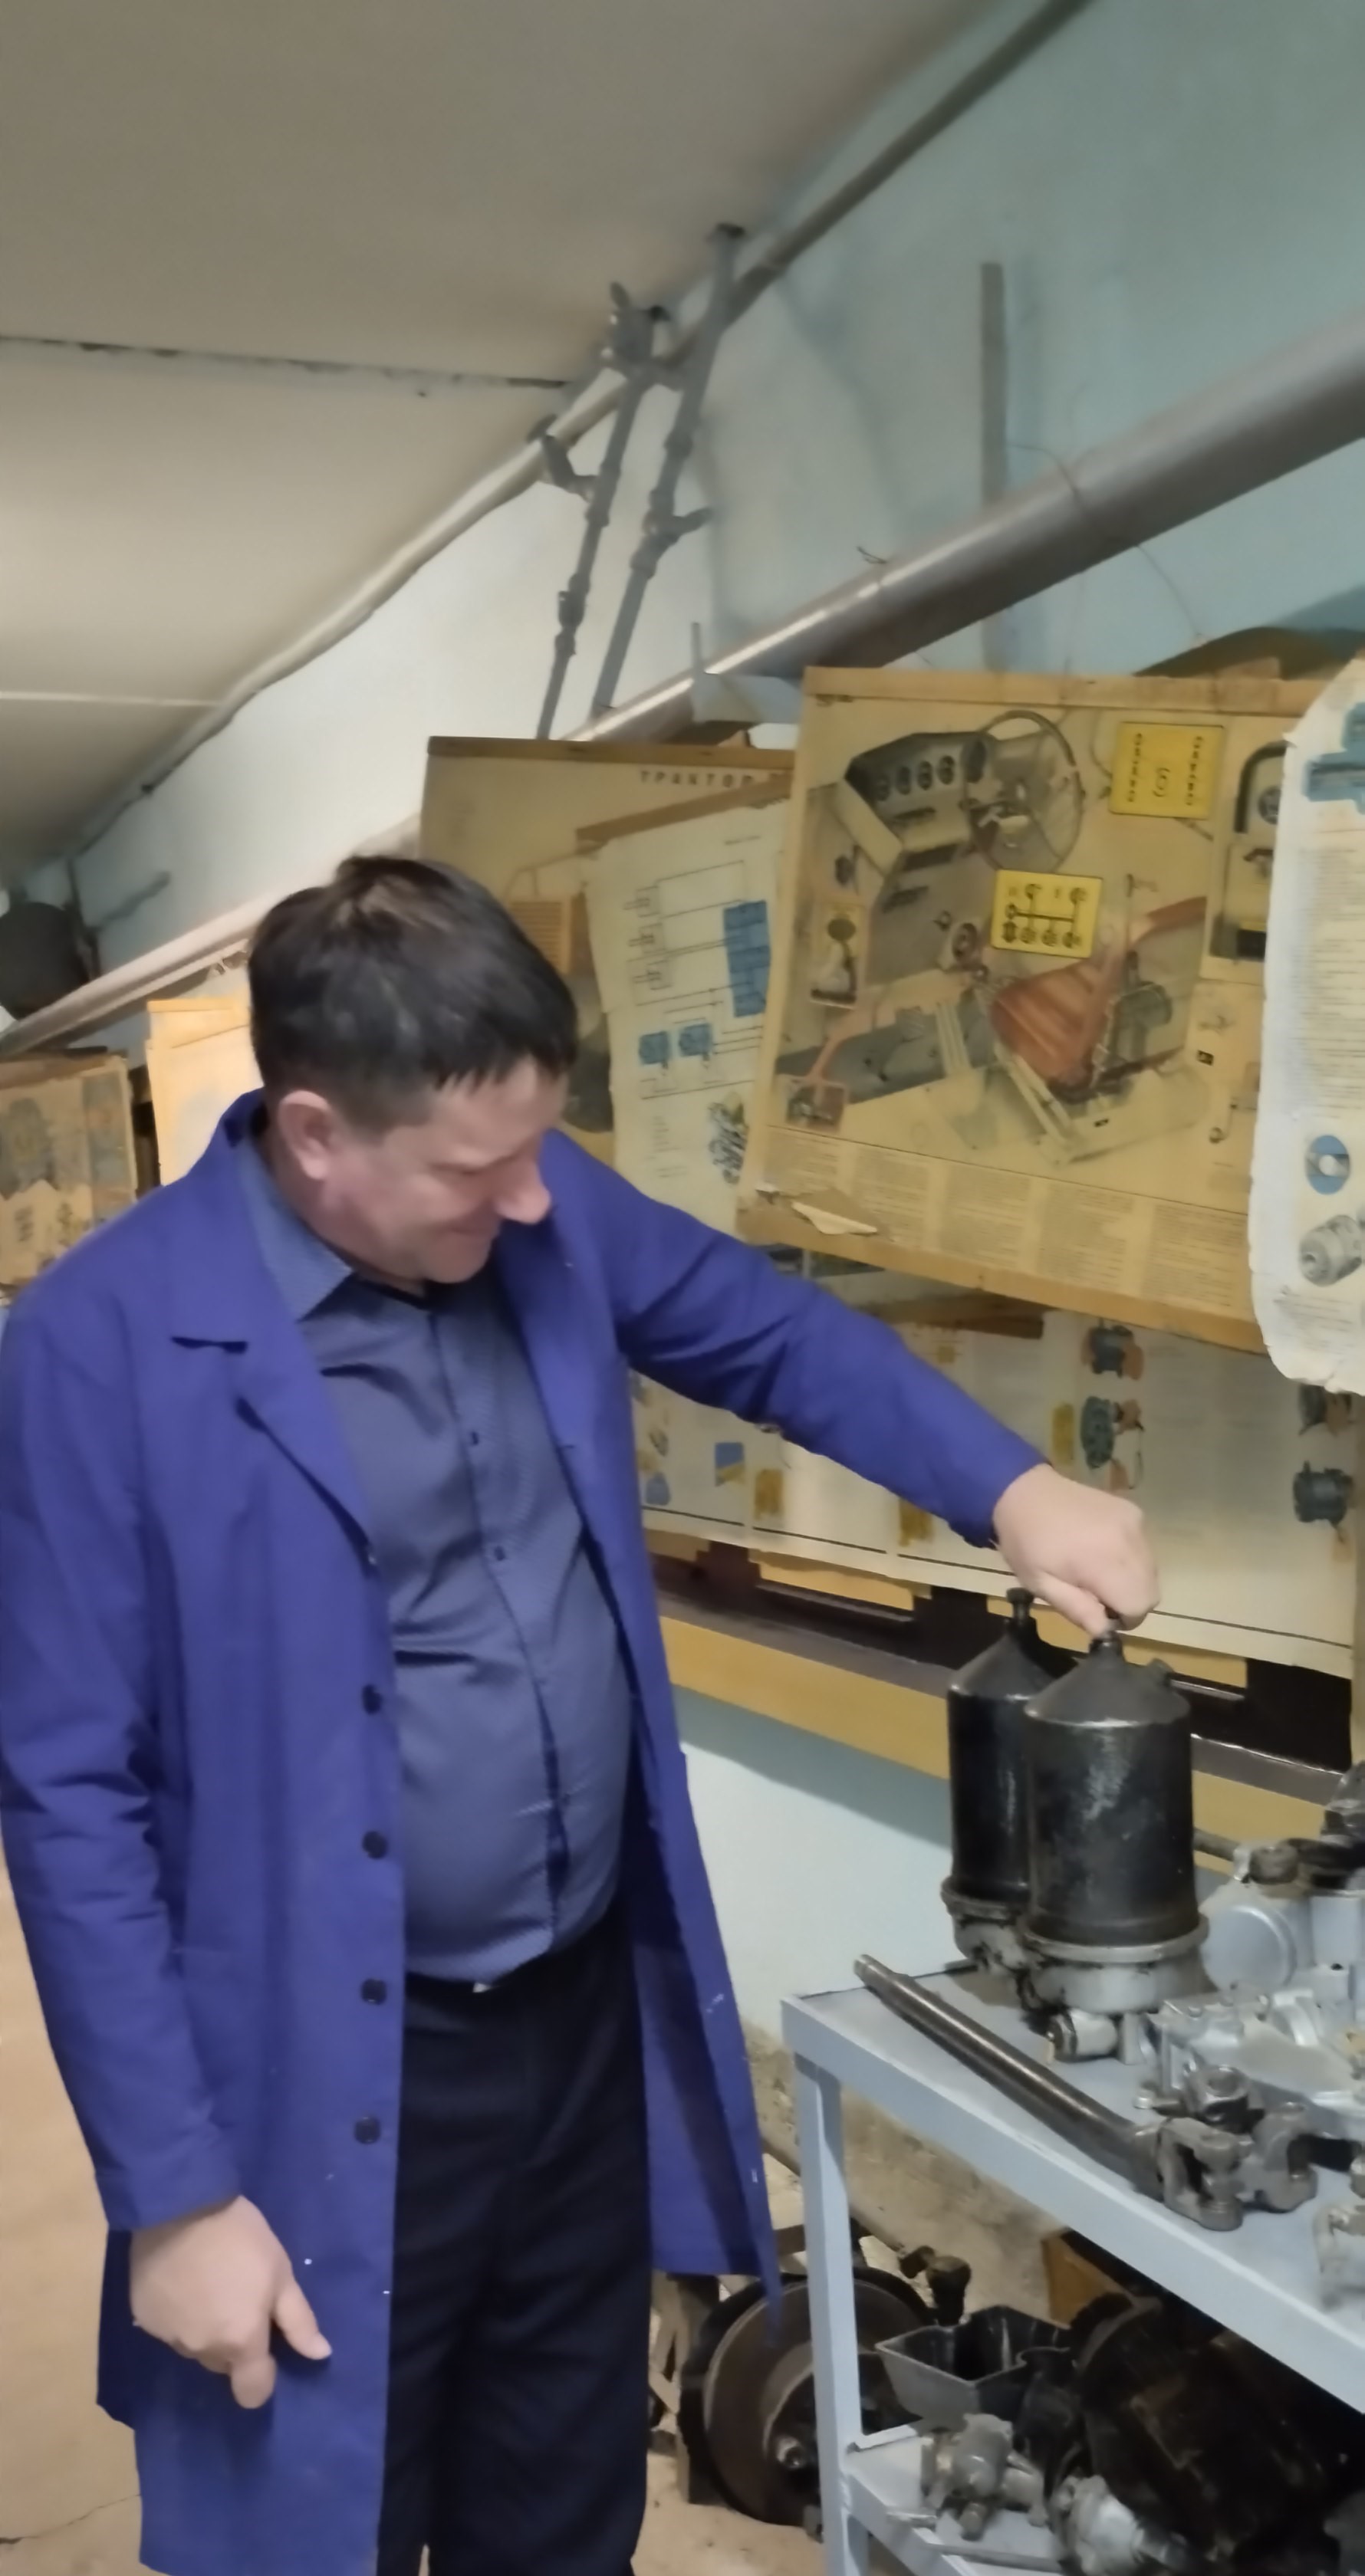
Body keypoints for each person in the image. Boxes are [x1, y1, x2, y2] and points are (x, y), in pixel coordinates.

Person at [0, 859, 1157, 2576]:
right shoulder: (98, 1346)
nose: (534, 1200)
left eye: (539, 1148)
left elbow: (769, 1336)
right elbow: (66, 1792)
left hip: (574, 2019)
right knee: (317, 2522)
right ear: (315, 1137)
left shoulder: (538, 1214)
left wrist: (1011, 1489)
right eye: (478, 1170)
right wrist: (173, 2199)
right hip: (320, 2065)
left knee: (561, 2501)